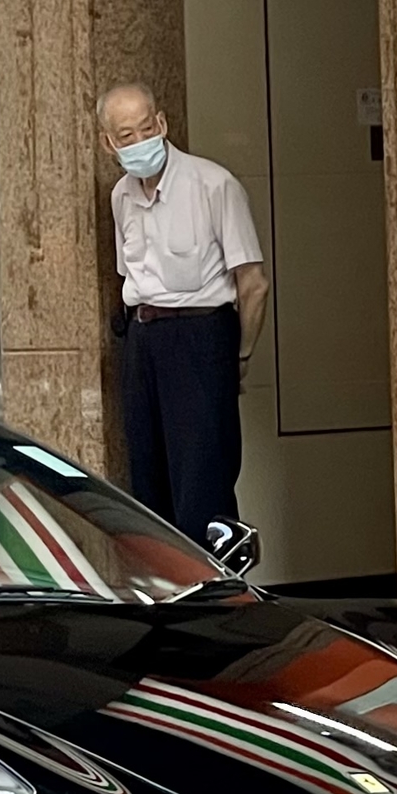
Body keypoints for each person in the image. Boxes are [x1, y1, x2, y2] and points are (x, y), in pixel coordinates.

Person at [98, 82, 269, 538]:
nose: (140, 142)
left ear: (163, 123)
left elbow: (253, 284)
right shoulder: (120, 197)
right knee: (148, 487)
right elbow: (127, 276)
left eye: (146, 128)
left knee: (203, 487)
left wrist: (240, 355)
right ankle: (164, 601)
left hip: (201, 336)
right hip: (142, 340)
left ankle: (218, 598)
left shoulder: (214, 185)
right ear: (109, 143)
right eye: (126, 135)